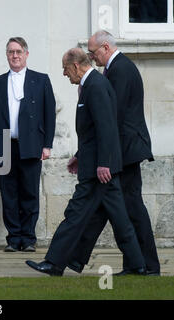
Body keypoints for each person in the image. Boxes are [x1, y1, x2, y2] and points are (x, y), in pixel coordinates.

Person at [25, 48, 146, 276]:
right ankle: (138, 265)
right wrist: (80, 156)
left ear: (77, 66)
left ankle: (54, 262)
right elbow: (93, 131)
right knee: (119, 218)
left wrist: (104, 163)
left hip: (98, 171)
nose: (64, 74)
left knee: (75, 214)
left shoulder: (96, 86)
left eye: (65, 68)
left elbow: (107, 128)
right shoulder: (92, 85)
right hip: (95, 166)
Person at [68, 30, 159, 276]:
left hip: (125, 151)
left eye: (93, 52)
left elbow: (109, 118)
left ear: (106, 48)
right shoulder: (117, 68)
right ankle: (133, 264)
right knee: (111, 207)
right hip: (121, 150)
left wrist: (101, 158)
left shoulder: (119, 69)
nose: (92, 57)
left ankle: (147, 265)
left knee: (130, 209)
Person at [0, 37, 56, 252]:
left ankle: (28, 238)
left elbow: (49, 114)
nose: (14, 56)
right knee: (8, 194)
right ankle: (14, 238)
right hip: (3, 146)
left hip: (32, 145)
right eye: (10, 52)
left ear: (26, 53)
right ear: (6, 55)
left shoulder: (41, 80)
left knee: (30, 193)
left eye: (18, 51)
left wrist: (47, 145)